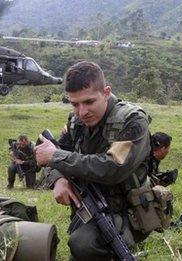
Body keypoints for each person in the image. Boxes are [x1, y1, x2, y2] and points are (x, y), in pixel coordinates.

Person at [35, 61, 159, 260]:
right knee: (81, 243)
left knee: (83, 244)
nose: (82, 112)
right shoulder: (76, 121)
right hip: (90, 203)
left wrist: (56, 157)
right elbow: (53, 152)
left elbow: (113, 168)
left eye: (89, 102)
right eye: (75, 104)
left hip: (129, 210)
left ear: (106, 92)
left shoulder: (133, 121)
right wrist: (58, 178)